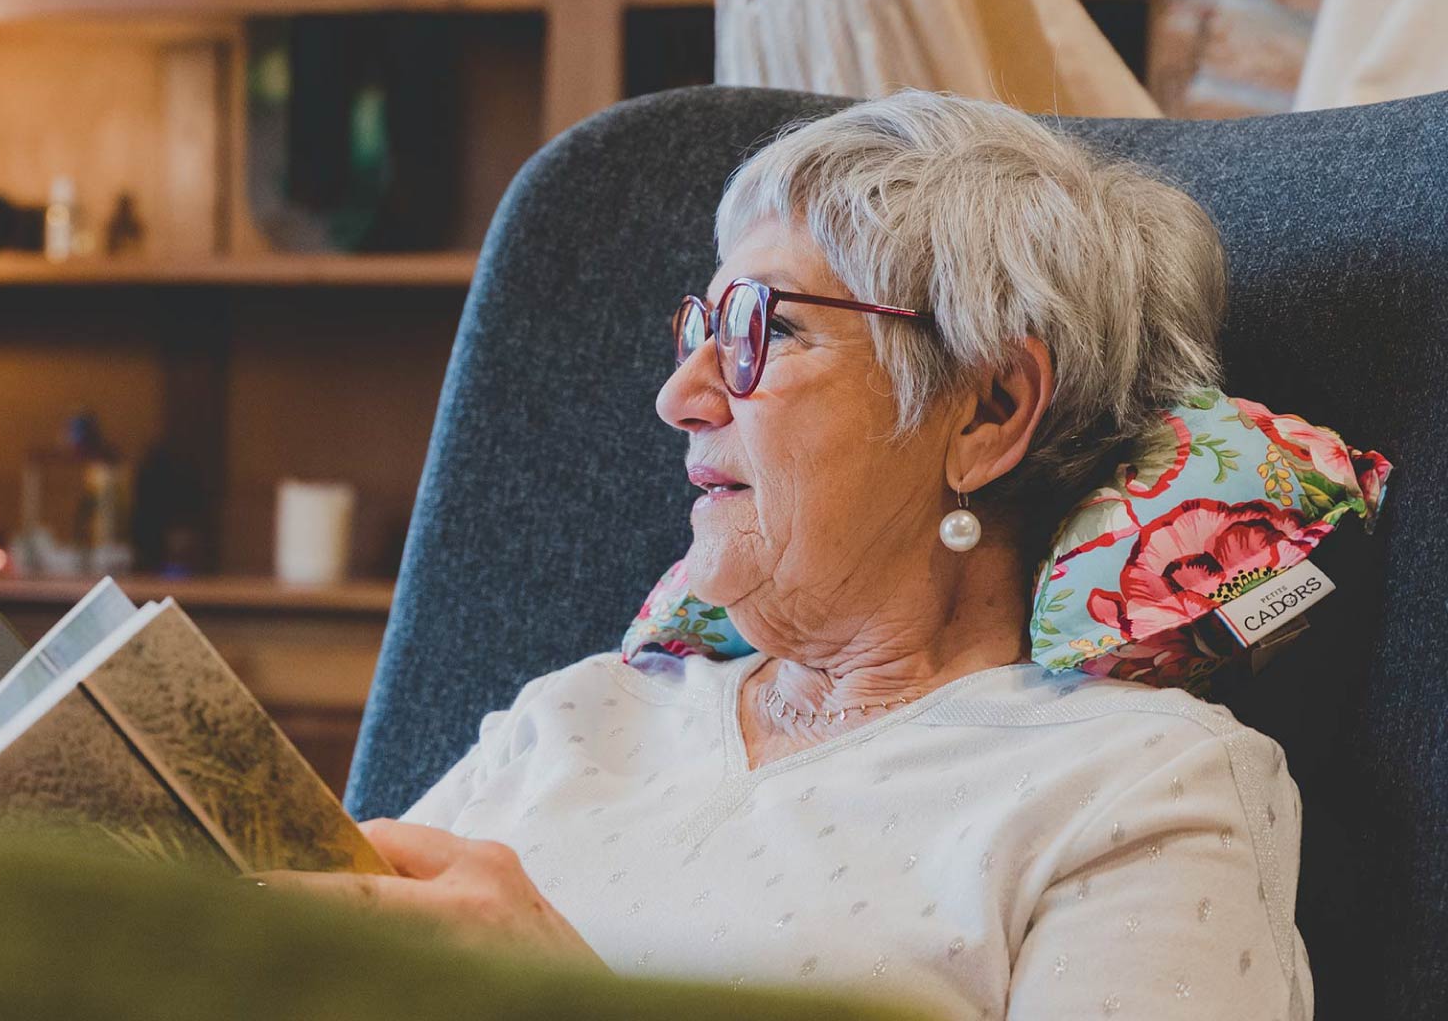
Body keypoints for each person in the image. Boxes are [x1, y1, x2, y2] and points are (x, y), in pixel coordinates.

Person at [276, 91, 1313, 1021]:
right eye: (700, 330)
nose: (679, 397)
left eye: (759, 330)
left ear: (989, 410)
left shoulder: (1131, 791)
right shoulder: (577, 717)